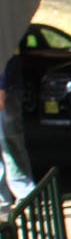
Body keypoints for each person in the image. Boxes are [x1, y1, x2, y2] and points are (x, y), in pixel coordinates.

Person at [0, 51, 37, 211]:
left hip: (7, 88)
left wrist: (1, 87)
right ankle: (3, 200)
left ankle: (25, 195)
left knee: (9, 141)